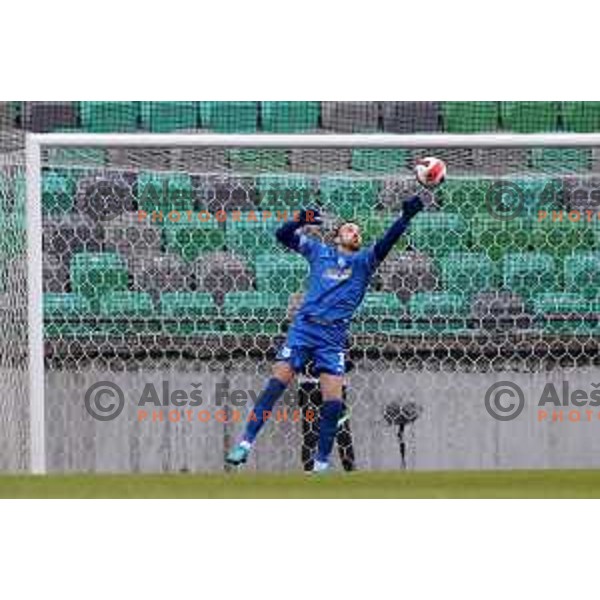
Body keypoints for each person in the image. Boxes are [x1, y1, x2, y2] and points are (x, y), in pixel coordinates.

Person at [226, 195, 425, 472]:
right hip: (304, 328)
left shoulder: (364, 262)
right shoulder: (319, 252)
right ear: (336, 237)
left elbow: (386, 243)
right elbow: (282, 235)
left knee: (333, 402)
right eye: (349, 228)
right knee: (276, 384)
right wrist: (299, 220)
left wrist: (405, 219)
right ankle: (244, 445)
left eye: (358, 231)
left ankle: (320, 464)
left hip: (333, 338)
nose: (355, 232)